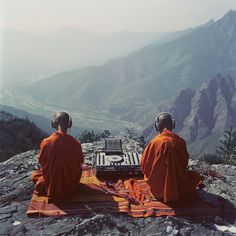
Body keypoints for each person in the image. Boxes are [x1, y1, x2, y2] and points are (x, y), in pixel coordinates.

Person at [141, 112, 203, 203]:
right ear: (173, 125)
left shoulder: (154, 143)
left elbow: (144, 167)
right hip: (179, 190)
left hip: (157, 191)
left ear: (156, 126)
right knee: (196, 176)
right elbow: (184, 163)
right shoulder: (180, 141)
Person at [32, 111, 84, 198]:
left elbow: (41, 161)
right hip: (71, 186)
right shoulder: (75, 143)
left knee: (35, 175)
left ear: (54, 123)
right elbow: (81, 161)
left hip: (52, 185)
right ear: (69, 124)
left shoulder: (46, 142)